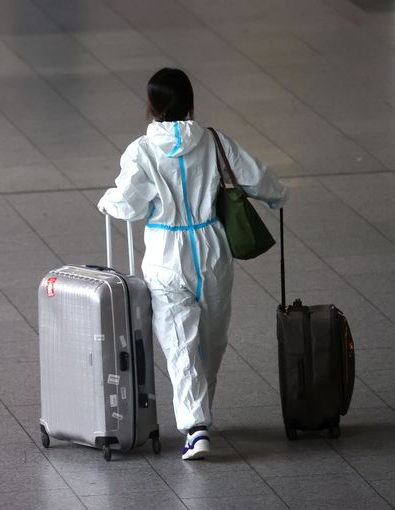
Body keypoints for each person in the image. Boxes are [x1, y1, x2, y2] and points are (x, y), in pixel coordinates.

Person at [97, 68, 288, 460]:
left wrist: (107, 201)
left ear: (150, 107)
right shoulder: (214, 142)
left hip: (167, 254)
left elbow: (129, 204)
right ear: (190, 104)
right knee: (210, 343)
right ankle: (198, 421)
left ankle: (197, 425)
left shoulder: (142, 151)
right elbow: (257, 176)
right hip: (212, 248)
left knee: (180, 344)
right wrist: (277, 196)